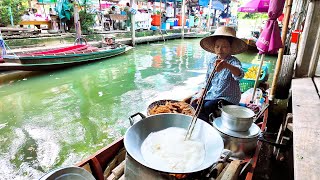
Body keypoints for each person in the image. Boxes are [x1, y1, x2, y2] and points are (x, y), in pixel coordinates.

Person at [191, 26, 248, 123]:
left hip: (228, 98)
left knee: (208, 106)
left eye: (224, 47)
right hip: (213, 95)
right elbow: (207, 81)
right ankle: (206, 123)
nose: (220, 49)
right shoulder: (212, 61)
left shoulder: (233, 61)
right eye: (217, 46)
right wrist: (201, 94)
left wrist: (226, 65)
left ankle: (211, 123)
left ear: (230, 48)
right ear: (214, 48)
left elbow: (240, 74)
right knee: (194, 104)